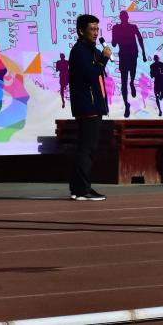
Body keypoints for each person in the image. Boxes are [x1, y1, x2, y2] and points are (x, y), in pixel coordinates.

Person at [68, 14, 112, 201]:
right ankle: (81, 190)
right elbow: (90, 75)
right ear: (81, 31)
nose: (95, 33)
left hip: (94, 105)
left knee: (87, 148)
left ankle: (79, 187)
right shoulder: (79, 51)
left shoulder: (91, 50)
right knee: (87, 149)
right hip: (87, 105)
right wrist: (103, 60)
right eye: (92, 29)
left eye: (97, 29)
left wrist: (101, 58)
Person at [111, 10, 146, 118]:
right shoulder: (116, 28)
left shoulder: (133, 27)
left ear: (127, 17)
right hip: (123, 56)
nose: (124, 18)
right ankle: (126, 105)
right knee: (123, 81)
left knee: (132, 74)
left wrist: (144, 53)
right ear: (121, 18)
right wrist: (115, 33)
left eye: (125, 16)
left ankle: (132, 83)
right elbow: (114, 44)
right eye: (122, 17)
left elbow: (140, 39)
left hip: (132, 55)